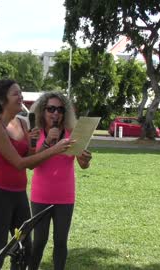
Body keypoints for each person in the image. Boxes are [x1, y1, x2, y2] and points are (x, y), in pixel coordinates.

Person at [0, 79, 74, 269]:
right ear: (2, 100)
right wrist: (55, 148)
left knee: (25, 247)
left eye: (21, 93)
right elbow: (19, 163)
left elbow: (31, 160)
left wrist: (39, 145)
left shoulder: (22, 123)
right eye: (15, 94)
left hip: (19, 194)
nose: (21, 97)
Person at [27, 92, 92, 270]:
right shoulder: (35, 133)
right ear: (42, 111)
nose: (56, 113)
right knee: (39, 241)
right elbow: (31, 164)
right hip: (41, 195)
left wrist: (85, 159)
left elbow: (83, 164)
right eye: (51, 109)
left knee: (61, 241)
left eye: (60, 110)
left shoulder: (72, 134)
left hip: (65, 196)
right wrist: (48, 143)